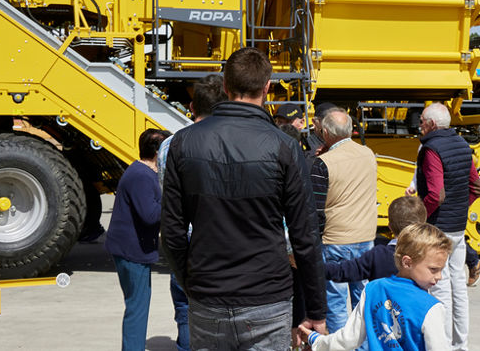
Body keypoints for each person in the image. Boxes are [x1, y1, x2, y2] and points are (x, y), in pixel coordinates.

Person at [161, 47, 326, 350]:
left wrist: (192, 282)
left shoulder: (184, 142)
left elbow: (171, 232)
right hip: (267, 297)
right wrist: (316, 310)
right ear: (267, 88)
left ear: (225, 86)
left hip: (209, 295)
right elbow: (306, 235)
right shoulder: (283, 146)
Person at [299, 223, 453, 351]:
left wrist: (316, 340)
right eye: (434, 269)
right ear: (407, 262)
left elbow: (348, 339)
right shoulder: (431, 308)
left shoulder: (372, 289)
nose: (439, 276)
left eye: (441, 269)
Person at [155, 74, 226, 351]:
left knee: (186, 316)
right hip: (224, 246)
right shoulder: (235, 141)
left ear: (192, 107)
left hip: (186, 247)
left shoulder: (169, 146)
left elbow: (169, 202)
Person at [310, 109, 379, 334]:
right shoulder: (368, 154)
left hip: (335, 239)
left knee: (336, 302)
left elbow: (316, 210)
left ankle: (340, 345)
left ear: (326, 132)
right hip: (365, 236)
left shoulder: (323, 164)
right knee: (363, 299)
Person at [413, 102, 473, 350]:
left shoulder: (431, 148)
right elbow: (476, 187)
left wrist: (420, 218)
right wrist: (460, 207)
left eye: (422, 121)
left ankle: (443, 345)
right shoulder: (462, 144)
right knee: (458, 285)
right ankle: (461, 345)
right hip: (458, 226)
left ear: (432, 124)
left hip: (439, 227)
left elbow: (436, 193)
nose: (419, 126)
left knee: (439, 286)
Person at [105, 128, 171, 351]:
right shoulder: (142, 176)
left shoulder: (142, 172)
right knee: (137, 307)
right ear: (157, 152)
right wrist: (174, 200)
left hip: (131, 248)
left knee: (136, 304)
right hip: (132, 251)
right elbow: (150, 215)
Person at [325, 196, 426, 284]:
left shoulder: (378, 255)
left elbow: (344, 271)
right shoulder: (426, 254)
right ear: (423, 225)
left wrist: (316, 267)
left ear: (390, 226)